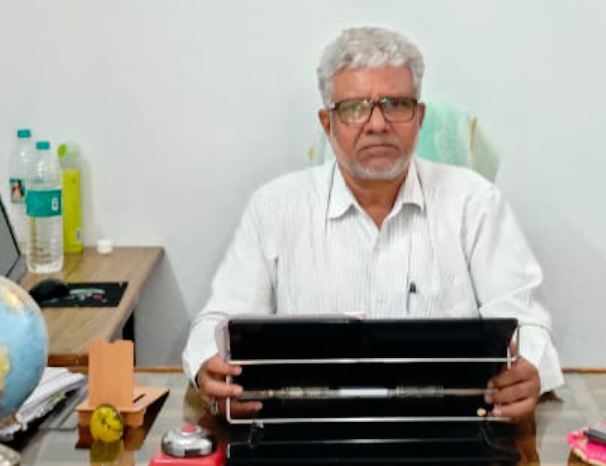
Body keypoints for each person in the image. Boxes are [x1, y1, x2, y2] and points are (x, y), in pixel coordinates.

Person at [182, 26, 563, 421]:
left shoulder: (475, 204)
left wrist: (529, 369)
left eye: (396, 105)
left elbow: (527, 324)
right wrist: (208, 365)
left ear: (419, 117)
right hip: (310, 430)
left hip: (450, 425)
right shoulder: (275, 209)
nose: (377, 124)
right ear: (327, 123)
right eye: (355, 108)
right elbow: (218, 324)